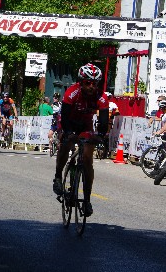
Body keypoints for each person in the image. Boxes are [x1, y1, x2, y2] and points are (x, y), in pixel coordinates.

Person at [52, 63, 109, 218]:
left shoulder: (101, 97)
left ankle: (87, 200)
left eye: (94, 83)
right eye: (88, 83)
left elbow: (104, 122)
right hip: (69, 121)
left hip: (85, 124)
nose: (91, 87)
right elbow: (64, 117)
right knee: (68, 142)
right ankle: (58, 176)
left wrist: (102, 137)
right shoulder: (72, 93)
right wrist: (68, 133)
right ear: (81, 82)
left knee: (88, 159)